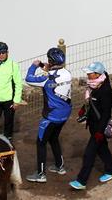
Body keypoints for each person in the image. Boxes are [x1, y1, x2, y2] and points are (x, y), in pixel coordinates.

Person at [69, 62, 112, 191]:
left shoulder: (106, 90)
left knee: (89, 154)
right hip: (93, 126)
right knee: (102, 150)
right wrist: (83, 110)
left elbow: (106, 113)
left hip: (99, 128)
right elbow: (91, 103)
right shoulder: (93, 86)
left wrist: (99, 131)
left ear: (97, 74)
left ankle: (81, 181)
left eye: (90, 73)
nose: (87, 75)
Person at [25, 48, 72, 183]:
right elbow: (55, 78)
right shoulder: (67, 73)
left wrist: (34, 66)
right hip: (66, 113)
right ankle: (60, 166)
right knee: (54, 138)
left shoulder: (46, 78)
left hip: (51, 116)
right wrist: (48, 69)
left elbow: (29, 79)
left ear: (51, 61)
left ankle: (40, 174)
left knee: (41, 143)